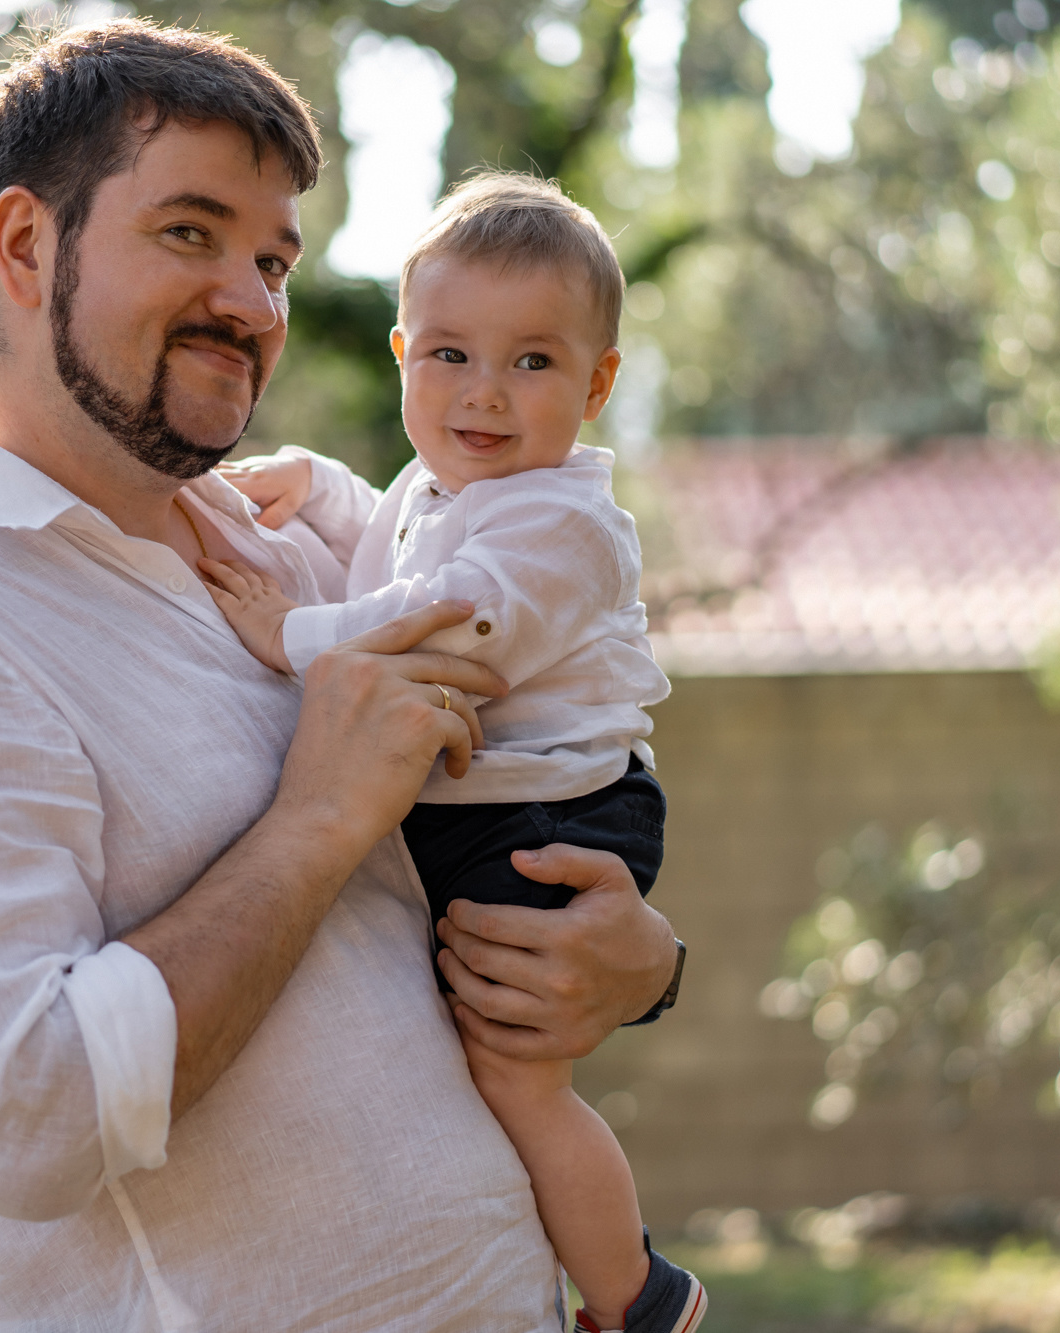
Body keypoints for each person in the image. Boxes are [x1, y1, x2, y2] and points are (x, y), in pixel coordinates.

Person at [0, 20, 684, 1332]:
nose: (251, 299)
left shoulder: (287, 550)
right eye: (191, 233)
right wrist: (315, 821)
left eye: (273, 258)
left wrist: (639, 963)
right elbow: (29, 1114)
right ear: (25, 246)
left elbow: (527, 786)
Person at [205, 174, 702, 1333]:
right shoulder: (443, 487)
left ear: (596, 382)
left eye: (531, 363)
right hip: (498, 805)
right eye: (447, 357)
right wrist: (315, 487)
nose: (483, 394)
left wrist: (286, 634)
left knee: (516, 1076)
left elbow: (448, 623)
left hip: (554, 819)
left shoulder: (561, 524)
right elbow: (387, 542)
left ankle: (637, 1296)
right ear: (400, 358)